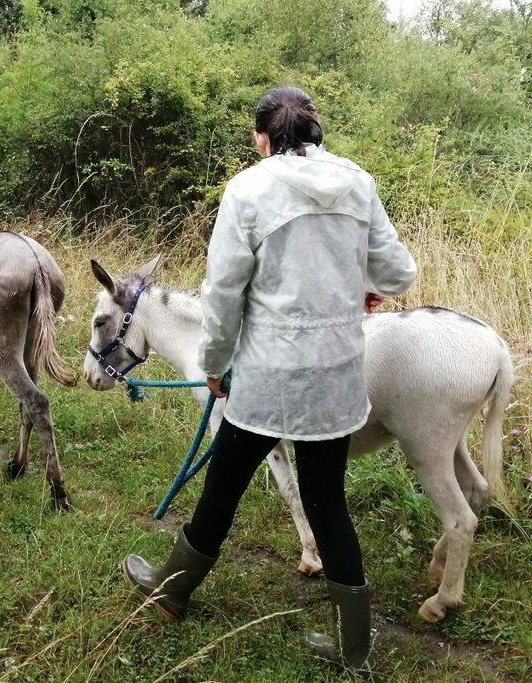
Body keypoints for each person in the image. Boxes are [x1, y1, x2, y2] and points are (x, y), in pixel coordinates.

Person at [121, 87, 417, 668]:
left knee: (224, 486)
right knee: (327, 500)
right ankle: (354, 648)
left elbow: (224, 292)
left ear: (263, 139)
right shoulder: (358, 182)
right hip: (334, 374)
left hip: (267, 377)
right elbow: (398, 272)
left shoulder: (247, 189)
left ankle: (170, 590)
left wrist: (211, 364)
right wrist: (367, 286)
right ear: (316, 133)